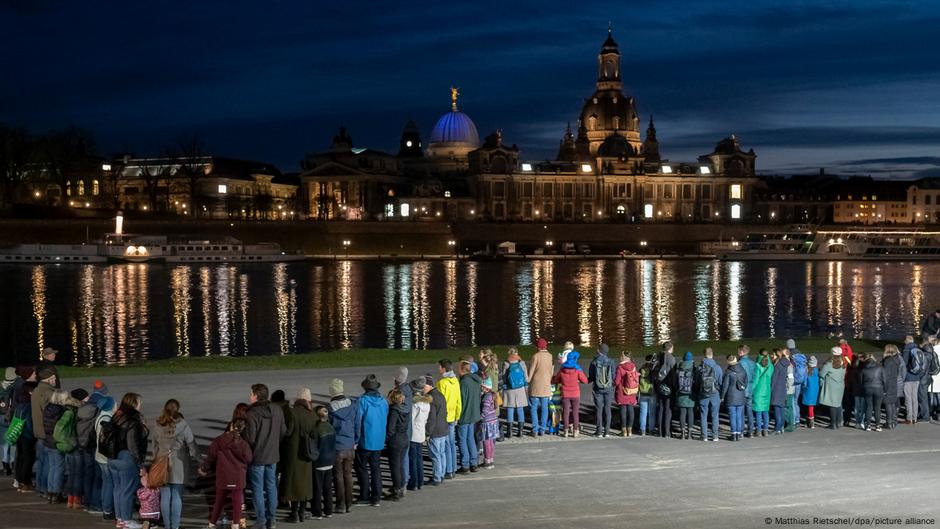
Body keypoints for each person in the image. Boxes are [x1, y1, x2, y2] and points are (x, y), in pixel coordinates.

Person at [242, 383, 287, 529]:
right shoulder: (277, 409)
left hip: (258, 457)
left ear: (256, 395)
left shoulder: (251, 414)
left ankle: (261, 520)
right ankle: (272, 519)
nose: (250, 396)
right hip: (273, 455)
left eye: (251, 394)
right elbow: (282, 431)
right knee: (271, 487)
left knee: (257, 489)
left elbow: (250, 438)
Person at [150, 399, 198, 529]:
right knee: (177, 495)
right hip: (178, 462)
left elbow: (154, 444)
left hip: (162, 460)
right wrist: (197, 458)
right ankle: (175, 526)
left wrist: (155, 458)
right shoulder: (182, 424)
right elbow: (191, 443)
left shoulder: (158, 424)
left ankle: (167, 525)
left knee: (165, 496)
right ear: (178, 409)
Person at [200, 416, 252, 529]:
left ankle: (212, 523)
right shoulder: (244, 444)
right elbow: (249, 458)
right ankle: (236, 524)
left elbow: (211, 457)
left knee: (219, 502)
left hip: (223, 476)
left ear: (232, 425)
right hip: (238, 477)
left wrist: (204, 468)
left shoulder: (219, 440)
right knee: (237, 503)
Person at [109, 393, 149, 529]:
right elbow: (133, 445)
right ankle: (127, 520)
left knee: (118, 489)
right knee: (127, 491)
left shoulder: (117, 416)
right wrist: (141, 465)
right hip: (126, 458)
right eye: (139, 403)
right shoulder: (132, 420)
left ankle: (120, 519)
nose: (140, 405)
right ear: (133, 404)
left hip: (113, 458)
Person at [281, 388, 315, 523]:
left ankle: (294, 513)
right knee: (305, 484)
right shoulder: (312, 415)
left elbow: (287, 433)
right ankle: (302, 511)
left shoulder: (292, 413)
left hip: (293, 454)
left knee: (293, 484)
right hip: (307, 455)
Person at [355, 374, 387, 507]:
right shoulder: (384, 401)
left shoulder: (362, 401)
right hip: (379, 440)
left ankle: (365, 495)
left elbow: (358, 422)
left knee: (362, 468)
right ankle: (377, 496)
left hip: (365, 440)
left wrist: (356, 439)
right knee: (376, 468)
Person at [326, 378, 357, 514]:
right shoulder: (352, 404)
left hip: (337, 447)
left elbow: (329, 429)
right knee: (348, 475)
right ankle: (349, 503)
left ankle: (340, 504)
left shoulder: (330, 408)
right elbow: (357, 424)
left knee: (338, 476)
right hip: (350, 445)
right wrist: (355, 440)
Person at [75, 385, 102, 514]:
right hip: (92, 445)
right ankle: (95, 503)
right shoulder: (95, 411)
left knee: (87, 473)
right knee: (97, 475)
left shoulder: (80, 411)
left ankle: (86, 500)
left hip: (82, 444)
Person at [31, 365, 56, 497]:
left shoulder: (36, 391)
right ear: (49, 378)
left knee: (41, 462)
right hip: (47, 432)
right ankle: (46, 488)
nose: (55, 379)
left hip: (38, 431)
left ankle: (40, 487)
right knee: (48, 464)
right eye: (53, 377)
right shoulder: (48, 393)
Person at [552, 350, 588, 438]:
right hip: (575, 394)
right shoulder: (577, 369)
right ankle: (575, 431)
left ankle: (565, 431)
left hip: (565, 394)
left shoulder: (562, 369)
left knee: (566, 412)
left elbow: (556, 380)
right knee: (575, 412)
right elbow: (585, 381)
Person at [62, 388, 88, 509]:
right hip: (76, 445)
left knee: (72, 473)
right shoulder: (77, 411)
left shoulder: (67, 408)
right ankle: (76, 500)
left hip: (69, 445)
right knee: (77, 474)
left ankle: (70, 499)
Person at [43, 388, 69, 504]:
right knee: (58, 469)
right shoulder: (61, 411)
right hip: (56, 443)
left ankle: (50, 493)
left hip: (47, 441)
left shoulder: (48, 409)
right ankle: (56, 493)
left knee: (52, 468)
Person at [435, 359, 461, 479]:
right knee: (451, 443)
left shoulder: (442, 383)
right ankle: (453, 468)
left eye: (439, 367)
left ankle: (448, 470)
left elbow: (440, 402)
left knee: (445, 444)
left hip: (444, 417)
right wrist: (457, 415)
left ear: (443, 369)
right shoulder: (455, 381)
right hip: (453, 415)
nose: (438, 369)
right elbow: (458, 400)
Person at [311, 406, 336, 520]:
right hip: (329, 460)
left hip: (319, 462)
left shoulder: (316, 429)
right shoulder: (331, 428)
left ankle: (317, 512)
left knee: (317, 488)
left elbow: (314, 447)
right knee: (327, 488)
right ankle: (328, 510)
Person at [456, 359, 482, 471]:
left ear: (462, 370)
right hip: (474, 414)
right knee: (470, 438)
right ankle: (473, 462)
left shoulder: (463, 383)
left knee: (462, 439)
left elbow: (460, 400)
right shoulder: (476, 381)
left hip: (464, 415)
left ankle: (465, 464)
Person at [94, 396, 116, 521]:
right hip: (105, 457)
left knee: (106, 482)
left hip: (99, 455)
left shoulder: (100, 417)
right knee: (109, 483)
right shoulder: (107, 419)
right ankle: (108, 510)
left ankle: (105, 507)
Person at [13, 381, 38, 493]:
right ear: (31, 391)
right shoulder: (30, 404)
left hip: (19, 433)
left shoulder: (20, 403)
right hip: (27, 435)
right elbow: (29, 422)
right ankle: (26, 483)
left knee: (21, 458)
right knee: (28, 459)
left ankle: (19, 481)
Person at [385, 388, 409, 501]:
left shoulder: (394, 411)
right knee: (400, 465)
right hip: (404, 438)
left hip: (396, 441)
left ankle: (397, 490)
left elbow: (390, 428)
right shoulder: (404, 410)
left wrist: (387, 439)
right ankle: (400, 486)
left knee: (395, 467)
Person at [423, 375, 448, 486]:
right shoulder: (440, 395)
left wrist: (427, 432)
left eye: (424, 385)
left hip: (435, 431)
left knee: (435, 455)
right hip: (443, 429)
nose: (423, 388)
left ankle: (437, 477)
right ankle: (441, 474)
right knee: (442, 453)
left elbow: (431, 418)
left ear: (429, 385)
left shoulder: (431, 398)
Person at [588, 343, 616, 437]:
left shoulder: (594, 361)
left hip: (598, 389)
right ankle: (607, 432)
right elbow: (613, 376)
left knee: (599, 410)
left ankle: (599, 431)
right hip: (608, 388)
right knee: (608, 409)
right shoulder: (611, 361)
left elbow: (591, 377)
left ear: (599, 350)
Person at [527, 338, 553, 436]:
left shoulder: (535, 356)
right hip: (546, 385)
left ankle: (535, 429)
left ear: (538, 347)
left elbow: (531, 371)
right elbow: (551, 371)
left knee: (533, 408)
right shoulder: (550, 356)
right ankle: (542, 429)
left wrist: (528, 380)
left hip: (536, 386)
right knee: (545, 408)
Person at [408, 378, 430, 491]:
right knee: (419, 458)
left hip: (413, 434)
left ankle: (414, 482)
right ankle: (420, 481)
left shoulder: (414, 404)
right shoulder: (427, 403)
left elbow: (411, 420)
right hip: (421, 433)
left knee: (413, 459)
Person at [697, 348, 723, 442]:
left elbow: (697, 382)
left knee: (703, 414)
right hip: (715, 393)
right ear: (712, 354)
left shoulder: (700, 367)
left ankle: (704, 436)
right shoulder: (717, 367)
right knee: (714, 415)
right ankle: (715, 436)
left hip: (703, 393)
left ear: (704, 355)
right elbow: (720, 382)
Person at [501, 348, 528, 438]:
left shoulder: (506, 363)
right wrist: (525, 386)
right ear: (517, 353)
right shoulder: (521, 363)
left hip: (509, 389)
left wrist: (504, 385)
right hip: (520, 389)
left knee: (510, 409)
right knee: (520, 409)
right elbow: (525, 376)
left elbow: (504, 377)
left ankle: (509, 432)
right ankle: (520, 432)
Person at [392, 367, 412, 487]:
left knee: (401, 460)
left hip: (401, 432)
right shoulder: (408, 389)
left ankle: (402, 483)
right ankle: (404, 480)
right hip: (408, 429)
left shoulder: (400, 393)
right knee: (405, 457)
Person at [721, 354, 748, 441]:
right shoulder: (743, 371)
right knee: (739, 416)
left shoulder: (728, 372)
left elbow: (725, 386)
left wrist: (722, 396)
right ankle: (739, 434)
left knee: (733, 416)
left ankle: (734, 435)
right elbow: (746, 383)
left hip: (731, 397)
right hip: (741, 396)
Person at [653, 342, 677, 439]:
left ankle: (660, 431)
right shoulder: (671, 358)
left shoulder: (658, 357)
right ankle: (667, 431)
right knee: (668, 409)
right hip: (668, 386)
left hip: (659, 386)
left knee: (661, 408)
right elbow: (673, 374)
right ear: (670, 348)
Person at [819, 348, 846, 429]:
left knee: (832, 404)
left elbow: (821, 374)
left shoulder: (829, 364)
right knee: (837, 404)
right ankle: (838, 422)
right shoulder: (843, 363)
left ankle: (833, 424)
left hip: (831, 386)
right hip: (840, 385)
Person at [613, 351, 638, 437]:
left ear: (624, 357)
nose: (620, 356)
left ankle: (623, 431)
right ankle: (630, 430)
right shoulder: (633, 366)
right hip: (631, 390)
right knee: (630, 409)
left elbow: (616, 381)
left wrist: (613, 384)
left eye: (621, 355)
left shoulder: (620, 367)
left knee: (623, 410)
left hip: (622, 391)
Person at [861, 352, 886, 431]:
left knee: (869, 407)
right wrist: (885, 390)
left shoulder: (863, 368)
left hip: (867, 388)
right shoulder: (880, 367)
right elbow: (885, 380)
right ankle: (877, 426)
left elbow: (861, 380)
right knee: (877, 408)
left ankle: (868, 425)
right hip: (878, 388)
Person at [752, 349, 774, 437]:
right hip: (767, 390)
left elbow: (755, 380)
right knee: (765, 411)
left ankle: (758, 430)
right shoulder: (771, 366)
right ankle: (765, 430)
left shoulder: (757, 365)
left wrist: (750, 390)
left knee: (758, 411)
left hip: (758, 390)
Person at [900, 336, 922, 424]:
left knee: (908, 398)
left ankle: (909, 418)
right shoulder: (917, 349)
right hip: (916, 377)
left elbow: (903, 364)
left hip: (908, 377)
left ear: (906, 341)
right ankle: (915, 417)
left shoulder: (906, 349)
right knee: (914, 397)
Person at [770, 349, 791, 434]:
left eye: (773, 354)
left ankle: (777, 428)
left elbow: (774, 379)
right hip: (782, 388)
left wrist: (770, 389)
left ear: (777, 355)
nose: (772, 356)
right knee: (781, 409)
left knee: (777, 410)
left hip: (776, 389)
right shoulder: (785, 364)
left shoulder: (777, 365)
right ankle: (781, 426)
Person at [737, 345, 757, 437]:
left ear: (741, 352)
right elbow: (755, 377)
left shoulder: (740, 363)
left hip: (742, 389)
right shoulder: (752, 363)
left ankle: (740, 431)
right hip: (750, 388)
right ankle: (751, 430)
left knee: (741, 411)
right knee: (749, 411)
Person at [787, 339, 807, 428]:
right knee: (796, 401)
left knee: (791, 401)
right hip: (799, 381)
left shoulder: (790, 356)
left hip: (792, 381)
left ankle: (793, 420)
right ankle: (798, 419)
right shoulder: (801, 355)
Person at [0, 368, 16, 477]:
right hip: (12, 416)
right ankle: (13, 462)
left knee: (4, 441)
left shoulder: (1, 387)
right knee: (13, 440)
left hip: (1, 416)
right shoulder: (15, 387)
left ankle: (5, 463)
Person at [675, 352, 695, 440]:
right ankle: (690, 433)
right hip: (691, 395)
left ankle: (683, 433)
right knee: (690, 413)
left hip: (681, 394)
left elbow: (675, 383)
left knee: (682, 413)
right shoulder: (694, 368)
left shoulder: (679, 369)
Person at [882, 345, 903, 429]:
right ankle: (893, 421)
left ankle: (889, 422)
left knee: (888, 403)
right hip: (894, 383)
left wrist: (884, 388)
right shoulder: (896, 360)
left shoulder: (888, 361)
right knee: (892, 403)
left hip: (888, 384)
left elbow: (885, 375)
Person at [480, 378, 499, 468]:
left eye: (482, 387)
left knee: (486, 442)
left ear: (486, 388)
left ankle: (487, 461)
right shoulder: (492, 395)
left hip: (487, 423)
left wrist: (480, 417)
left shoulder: (486, 397)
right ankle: (491, 459)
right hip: (493, 421)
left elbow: (485, 410)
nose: (481, 388)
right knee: (491, 442)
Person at [637, 355, 657, 436]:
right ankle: (651, 429)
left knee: (643, 412)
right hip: (652, 392)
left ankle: (642, 430)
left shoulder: (641, 369)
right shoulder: (653, 368)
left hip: (642, 392)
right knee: (652, 413)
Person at [849, 353, 867, 428]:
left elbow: (852, 380)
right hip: (863, 390)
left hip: (856, 390)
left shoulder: (854, 369)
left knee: (857, 407)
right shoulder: (865, 369)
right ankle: (861, 421)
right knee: (862, 407)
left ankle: (857, 422)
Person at [801, 356, 820, 428]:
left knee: (809, 407)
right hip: (815, 390)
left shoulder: (807, 371)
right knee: (811, 406)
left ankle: (810, 422)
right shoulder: (817, 370)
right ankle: (810, 421)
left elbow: (804, 382)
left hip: (808, 390)